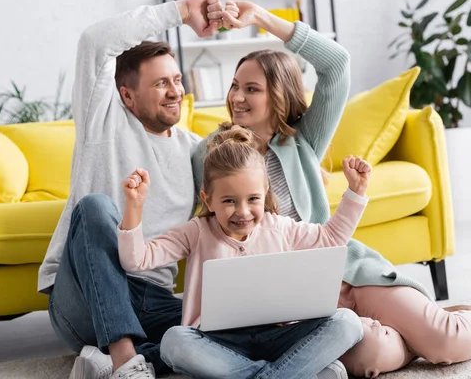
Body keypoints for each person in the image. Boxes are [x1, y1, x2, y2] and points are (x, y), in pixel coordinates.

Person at [194, 0, 471, 378]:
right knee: (366, 359)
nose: (237, 97)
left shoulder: (301, 141)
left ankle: (433, 326)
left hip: (350, 273)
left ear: (278, 96)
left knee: (447, 343)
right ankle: (417, 329)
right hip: (298, 306)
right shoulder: (212, 153)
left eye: (251, 88)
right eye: (234, 86)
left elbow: (336, 64)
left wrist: (259, 18)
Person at [37, 0, 229, 379]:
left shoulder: (194, 150)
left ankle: (108, 362)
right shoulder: (103, 121)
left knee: (230, 332)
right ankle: (126, 361)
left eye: (176, 79)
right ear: (127, 95)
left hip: (152, 299)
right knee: (95, 207)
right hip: (82, 298)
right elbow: (94, 41)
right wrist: (181, 12)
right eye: (160, 83)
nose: (175, 90)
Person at [118, 126, 372, 379]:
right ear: (208, 200)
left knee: (347, 322)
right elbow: (136, 259)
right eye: (229, 201)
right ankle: (290, 373)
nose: (243, 211)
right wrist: (135, 206)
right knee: (174, 341)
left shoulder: (279, 227)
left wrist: (356, 192)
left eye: (253, 199)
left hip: (277, 336)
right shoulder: (196, 231)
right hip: (216, 343)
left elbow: (331, 238)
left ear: (265, 195)